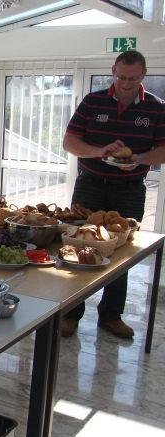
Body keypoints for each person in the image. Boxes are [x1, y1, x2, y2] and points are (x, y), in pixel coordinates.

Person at [61, 50, 165, 339]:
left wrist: (141, 157)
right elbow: (69, 141)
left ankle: (111, 316)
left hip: (130, 190)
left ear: (143, 75)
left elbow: (164, 149)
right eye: (120, 76)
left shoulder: (156, 108)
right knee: (79, 246)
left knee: (121, 253)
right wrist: (98, 151)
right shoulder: (93, 102)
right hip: (90, 184)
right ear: (113, 71)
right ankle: (70, 314)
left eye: (132, 78)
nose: (126, 83)